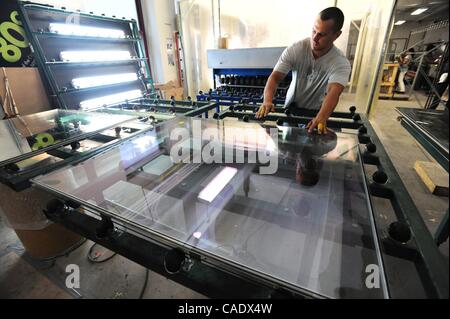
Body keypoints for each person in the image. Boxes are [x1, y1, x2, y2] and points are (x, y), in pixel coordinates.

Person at [255, 7, 351, 135]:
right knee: (287, 147)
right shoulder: (296, 49)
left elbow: (334, 92)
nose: (315, 38)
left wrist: (322, 116)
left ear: (336, 35)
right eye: (313, 31)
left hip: (316, 114)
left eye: (322, 34)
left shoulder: (340, 62)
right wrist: (267, 101)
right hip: (290, 110)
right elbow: (275, 78)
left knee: (310, 150)